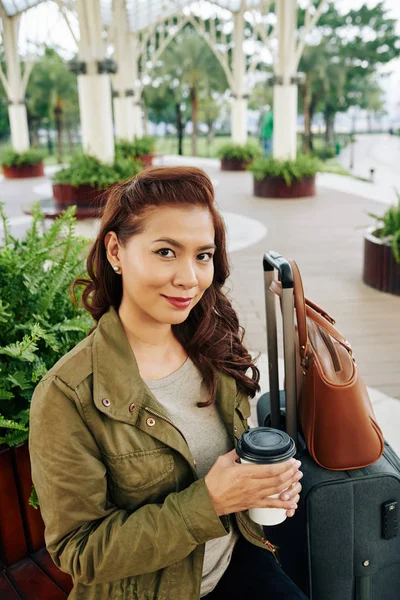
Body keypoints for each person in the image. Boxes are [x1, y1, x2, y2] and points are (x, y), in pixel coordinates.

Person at [29, 166, 306, 600]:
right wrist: (209, 502)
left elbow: (225, 460)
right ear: (116, 251)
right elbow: (79, 552)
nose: (189, 278)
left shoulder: (212, 345)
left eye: (203, 255)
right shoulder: (68, 395)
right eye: (165, 252)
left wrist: (263, 488)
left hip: (237, 562)